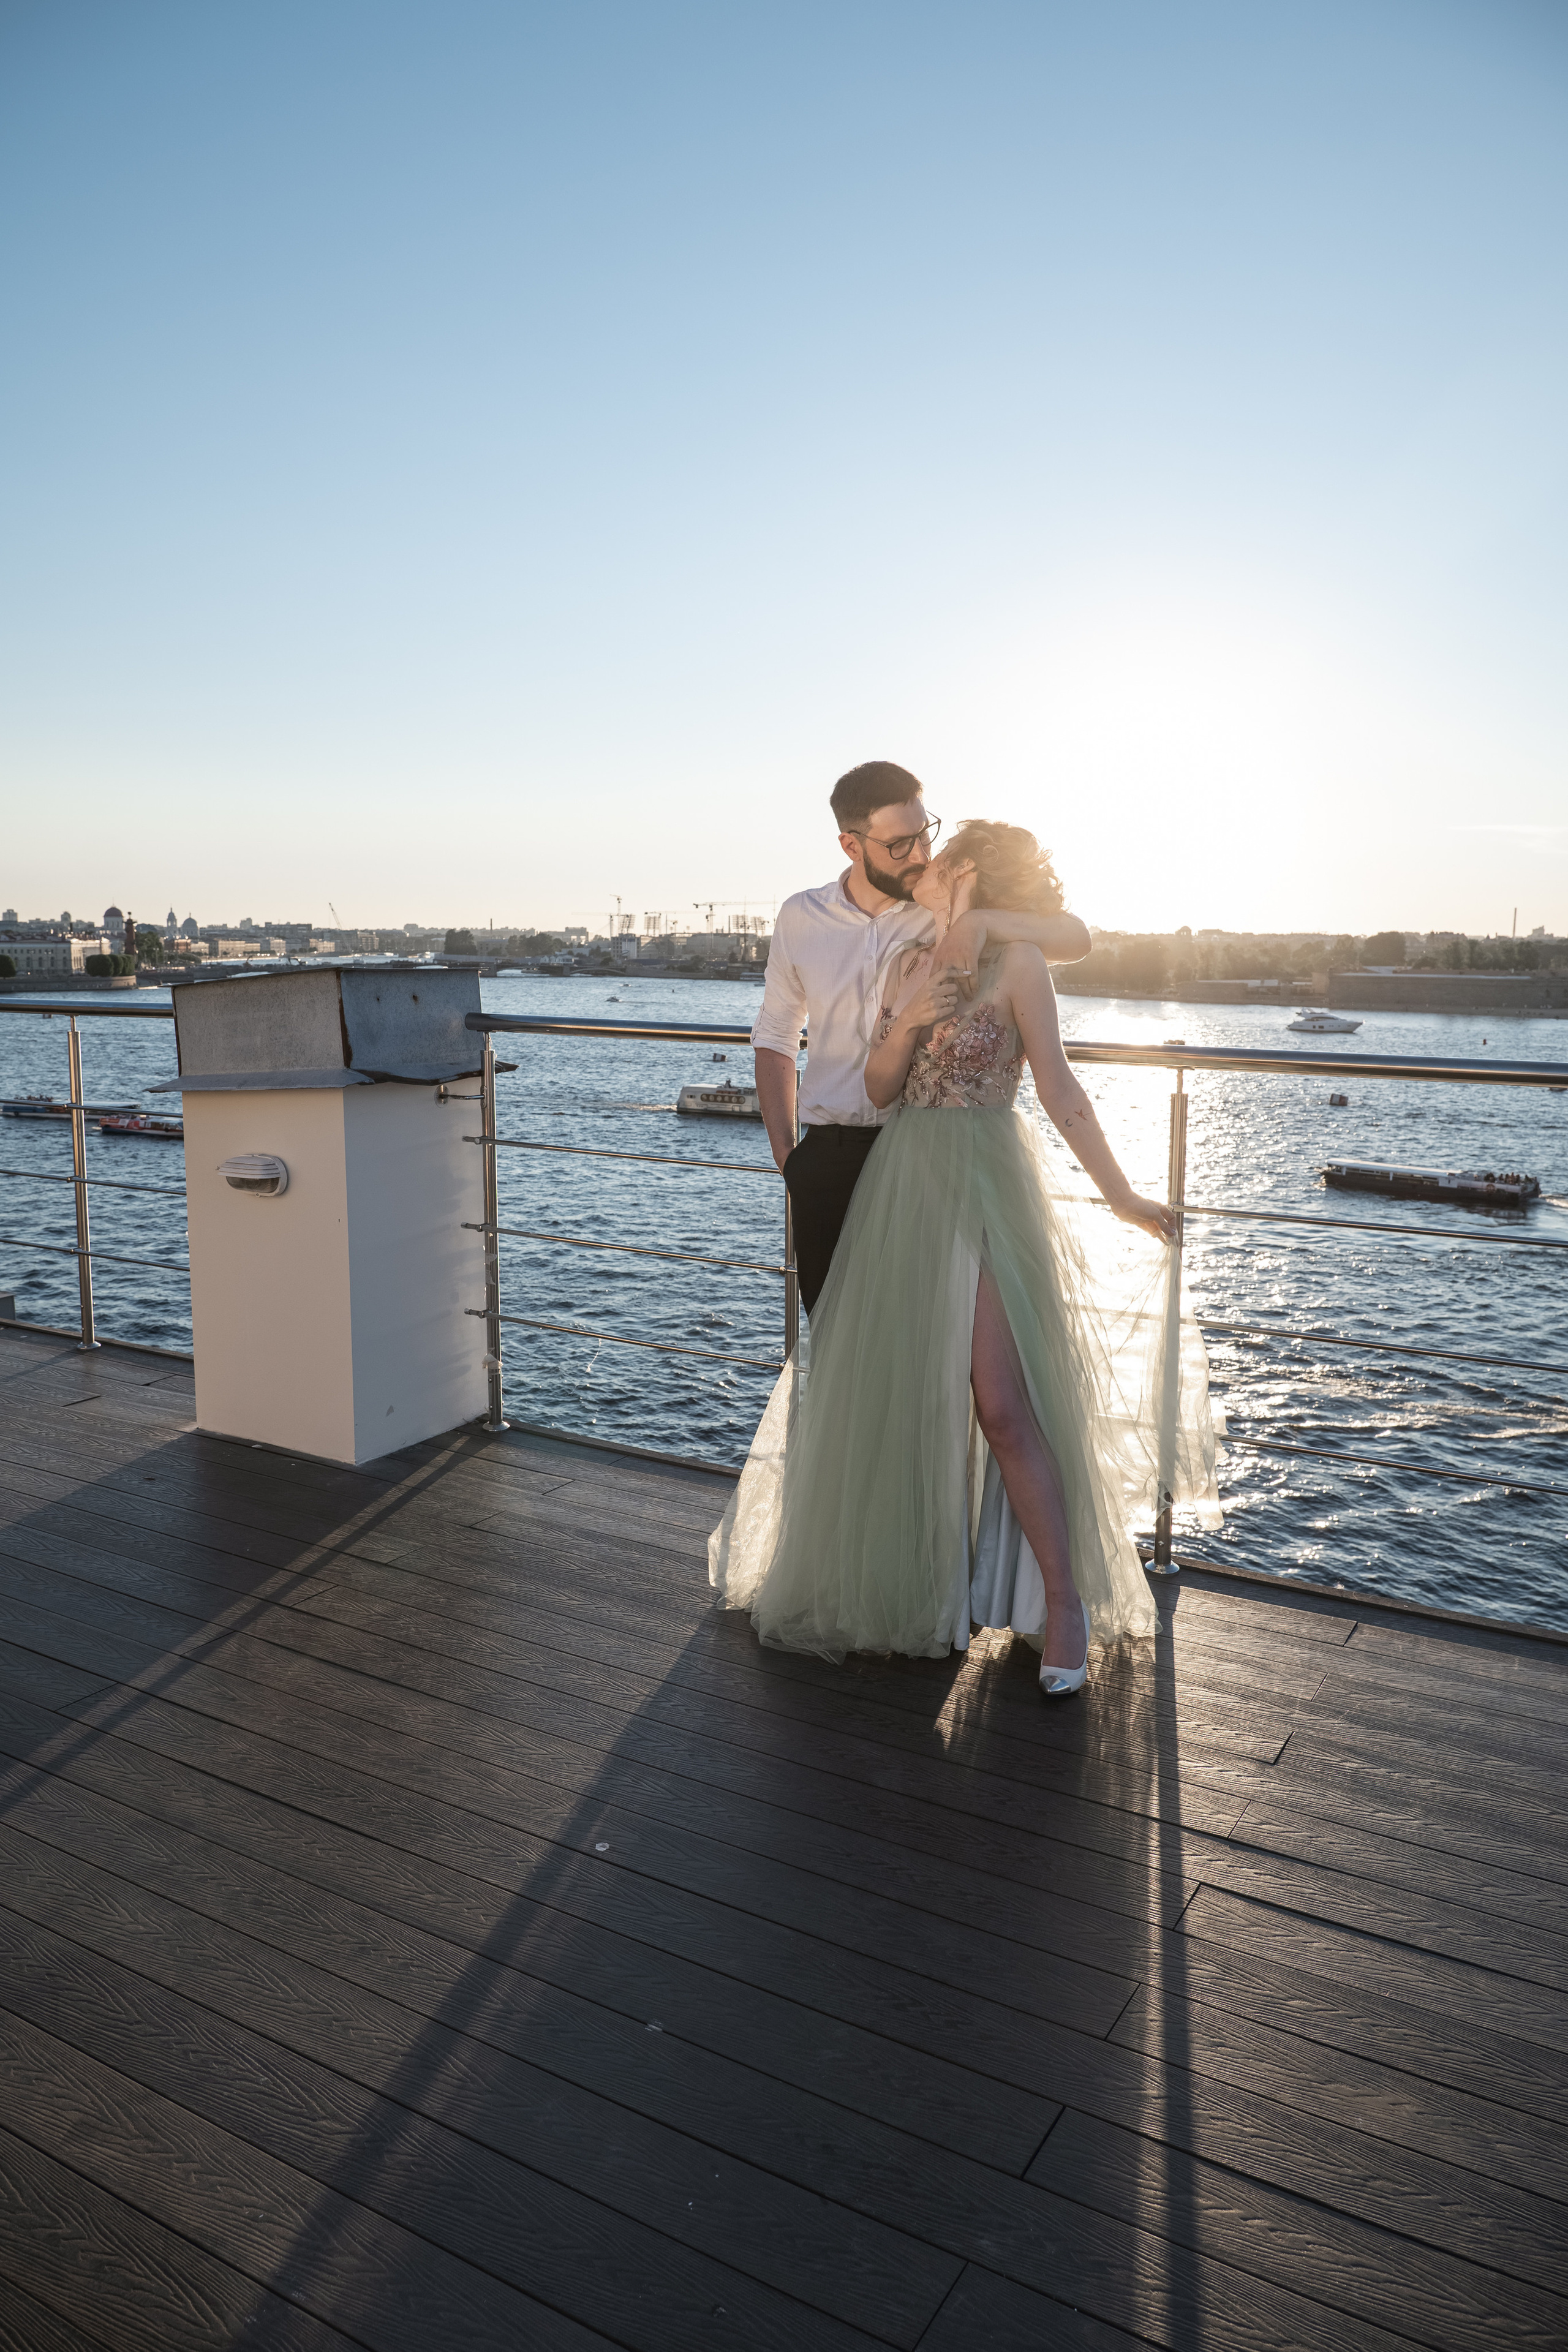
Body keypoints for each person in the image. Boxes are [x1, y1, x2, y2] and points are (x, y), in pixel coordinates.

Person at [712, 821, 1221, 1695]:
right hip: (902, 1187)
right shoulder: (909, 962)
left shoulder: (1019, 963)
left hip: (985, 1180)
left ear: (969, 871)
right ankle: (918, 1597)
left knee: (1000, 1403)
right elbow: (878, 1088)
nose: (921, 867)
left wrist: (1121, 1195)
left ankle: (1063, 1605)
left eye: (937, 857)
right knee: (905, 1404)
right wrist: (906, 1019)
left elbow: (1059, 1085)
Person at [752, 761, 1091, 1314]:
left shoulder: (941, 906)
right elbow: (776, 1034)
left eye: (924, 834)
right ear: (851, 845)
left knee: (921, 1344)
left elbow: (1074, 935)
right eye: (899, 844)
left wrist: (977, 924)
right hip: (826, 1156)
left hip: (915, 1151)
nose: (919, 855)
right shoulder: (800, 917)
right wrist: (788, 1156)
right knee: (837, 1343)